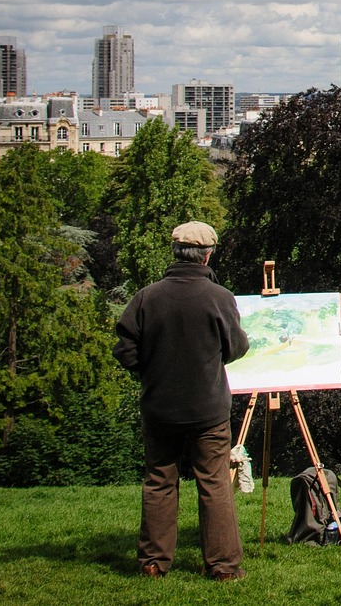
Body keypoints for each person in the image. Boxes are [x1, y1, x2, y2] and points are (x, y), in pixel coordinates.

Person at [113, 221, 250, 580]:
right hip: (208, 409)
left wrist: (150, 371)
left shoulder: (147, 297)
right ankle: (223, 567)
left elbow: (125, 349)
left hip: (160, 406)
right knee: (214, 482)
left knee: (159, 480)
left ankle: (154, 563)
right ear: (207, 255)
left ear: (175, 253)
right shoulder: (219, 297)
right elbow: (236, 348)